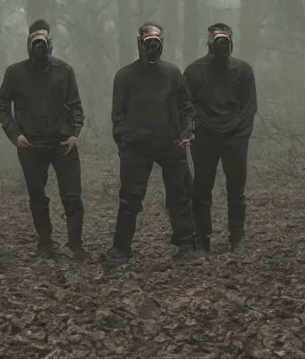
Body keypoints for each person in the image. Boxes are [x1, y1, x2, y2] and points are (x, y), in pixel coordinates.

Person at [0, 19, 86, 260]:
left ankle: (75, 244)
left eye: (43, 40)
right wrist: (15, 134)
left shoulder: (64, 71)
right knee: (37, 195)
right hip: (31, 144)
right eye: (35, 40)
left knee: (72, 196)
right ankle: (45, 242)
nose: (39, 46)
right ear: (28, 44)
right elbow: (1, 102)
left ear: (50, 44)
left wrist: (75, 133)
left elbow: (76, 105)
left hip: (62, 144)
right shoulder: (15, 73)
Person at [108, 22, 196, 262]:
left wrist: (185, 133)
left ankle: (186, 243)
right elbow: (118, 114)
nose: (152, 46)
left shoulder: (172, 73)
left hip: (170, 143)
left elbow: (186, 106)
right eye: (148, 41)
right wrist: (123, 142)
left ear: (162, 42)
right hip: (136, 147)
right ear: (139, 42)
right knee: (129, 198)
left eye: (156, 41)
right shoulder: (125, 76)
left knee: (180, 194)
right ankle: (121, 246)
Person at [184, 23, 257, 253]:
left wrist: (241, 133)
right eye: (217, 39)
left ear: (231, 41)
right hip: (204, 138)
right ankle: (202, 239)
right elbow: (186, 104)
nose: (221, 44)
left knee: (236, 190)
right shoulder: (195, 71)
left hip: (234, 138)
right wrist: (193, 127)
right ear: (209, 42)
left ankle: (237, 237)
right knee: (201, 190)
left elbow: (249, 106)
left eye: (225, 39)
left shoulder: (243, 70)